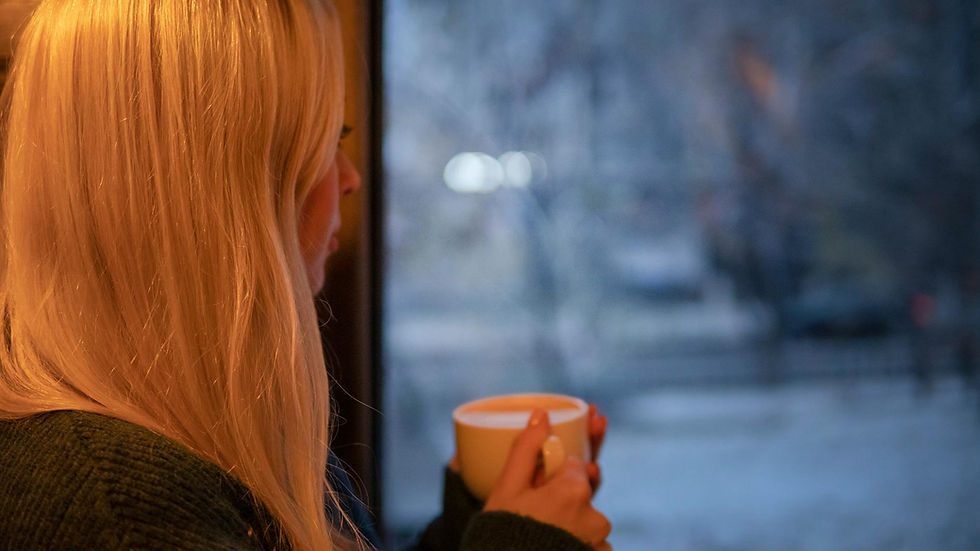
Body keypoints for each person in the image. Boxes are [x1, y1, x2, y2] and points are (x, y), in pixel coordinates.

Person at [0, 1, 612, 550]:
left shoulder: (200, 437)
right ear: (222, 193)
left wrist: (479, 523)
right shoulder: (114, 509)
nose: (349, 178)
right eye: (325, 142)